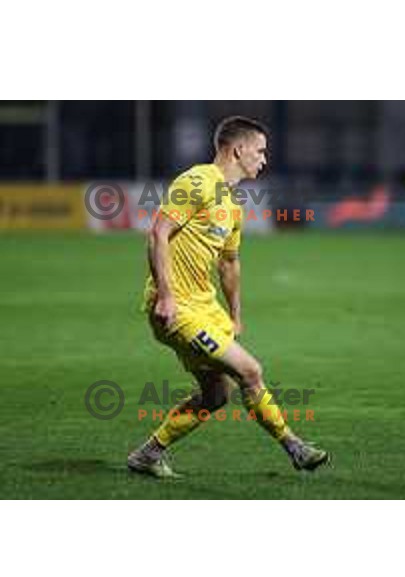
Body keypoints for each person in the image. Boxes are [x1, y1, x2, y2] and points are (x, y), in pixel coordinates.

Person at [128, 116, 329, 478]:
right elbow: (158, 233)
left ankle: (147, 454)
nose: (265, 160)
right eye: (261, 151)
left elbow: (230, 263)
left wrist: (235, 314)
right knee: (251, 371)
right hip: (178, 309)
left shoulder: (233, 204)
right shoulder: (197, 181)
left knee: (216, 396)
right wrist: (166, 296)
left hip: (206, 308)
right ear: (238, 150)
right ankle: (295, 447)